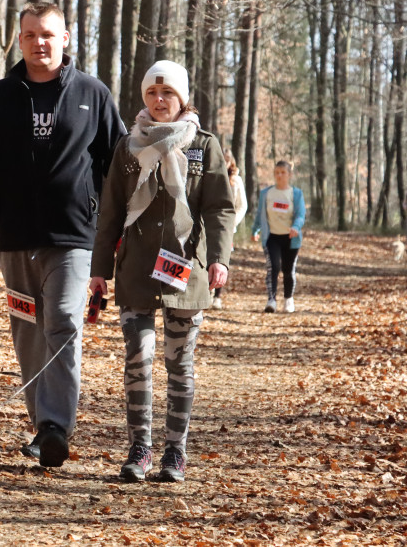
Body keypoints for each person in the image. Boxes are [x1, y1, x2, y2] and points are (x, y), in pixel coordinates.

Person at [0, 2, 126, 468]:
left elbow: (119, 163)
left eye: (47, 34)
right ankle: (43, 426)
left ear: (66, 37)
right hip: (15, 239)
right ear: (20, 40)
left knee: (64, 323)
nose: (39, 43)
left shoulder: (93, 93)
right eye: (30, 35)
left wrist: (117, 230)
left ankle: (54, 426)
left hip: (75, 237)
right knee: (28, 330)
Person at [89, 60, 236, 483]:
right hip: (136, 269)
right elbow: (111, 212)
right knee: (138, 356)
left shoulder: (203, 145)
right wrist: (100, 270)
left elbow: (219, 208)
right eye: (152, 94)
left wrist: (219, 258)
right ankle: (140, 448)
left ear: (182, 98)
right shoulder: (128, 146)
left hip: (185, 272)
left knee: (179, 361)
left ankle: (175, 452)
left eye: (168, 93)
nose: (159, 101)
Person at [252, 160, 306, 314]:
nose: (279, 175)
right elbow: (260, 215)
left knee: (288, 270)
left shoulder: (296, 194)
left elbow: (301, 215)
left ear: (289, 174)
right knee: (273, 267)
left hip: (291, 238)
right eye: (277, 172)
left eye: (283, 172)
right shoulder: (266, 193)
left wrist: (296, 227)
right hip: (272, 237)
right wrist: (254, 230)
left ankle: (288, 299)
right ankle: (271, 300)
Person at [211, 148, 247, 309]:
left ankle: (217, 296)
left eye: (226, 160)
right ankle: (207, 291)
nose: (223, 163)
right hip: (209, 225)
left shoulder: (236, 180)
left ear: (230, 161)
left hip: (227, 227)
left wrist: (232, 222)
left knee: (221, 259)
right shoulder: (211, 176)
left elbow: (242, 205)